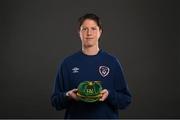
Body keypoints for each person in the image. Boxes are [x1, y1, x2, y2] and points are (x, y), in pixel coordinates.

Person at [51, 13, 132, 119]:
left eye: (93, 28)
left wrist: (109, 95)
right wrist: (67, 96)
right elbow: (55, 101)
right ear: (79, 33)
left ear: (100, 32)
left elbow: (126, 100)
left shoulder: (112, 62)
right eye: (84, 29)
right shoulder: (67, 64)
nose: (89, 33)